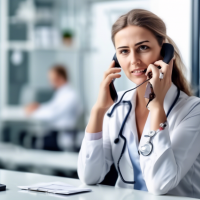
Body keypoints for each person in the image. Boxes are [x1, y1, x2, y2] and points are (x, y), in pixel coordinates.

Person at [77, 9, 200, 198]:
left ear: (165, 52)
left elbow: (160, 185)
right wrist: (98, 110)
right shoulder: (118, 107)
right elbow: (89, 176)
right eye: (124, 51)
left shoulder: (193, 110)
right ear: (116, 59)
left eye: (143, 48)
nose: (134, 60)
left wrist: (157, 107)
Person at [25, 64, 83, 151]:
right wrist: (38, 107)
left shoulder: (70, 95)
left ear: (60, 78)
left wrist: (33, 113)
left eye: (52, 79)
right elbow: (51, 107)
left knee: (30, 140)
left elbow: (52, 114)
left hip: (63, 137)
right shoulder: (61, 93)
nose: (50, 82)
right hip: (56, 134)